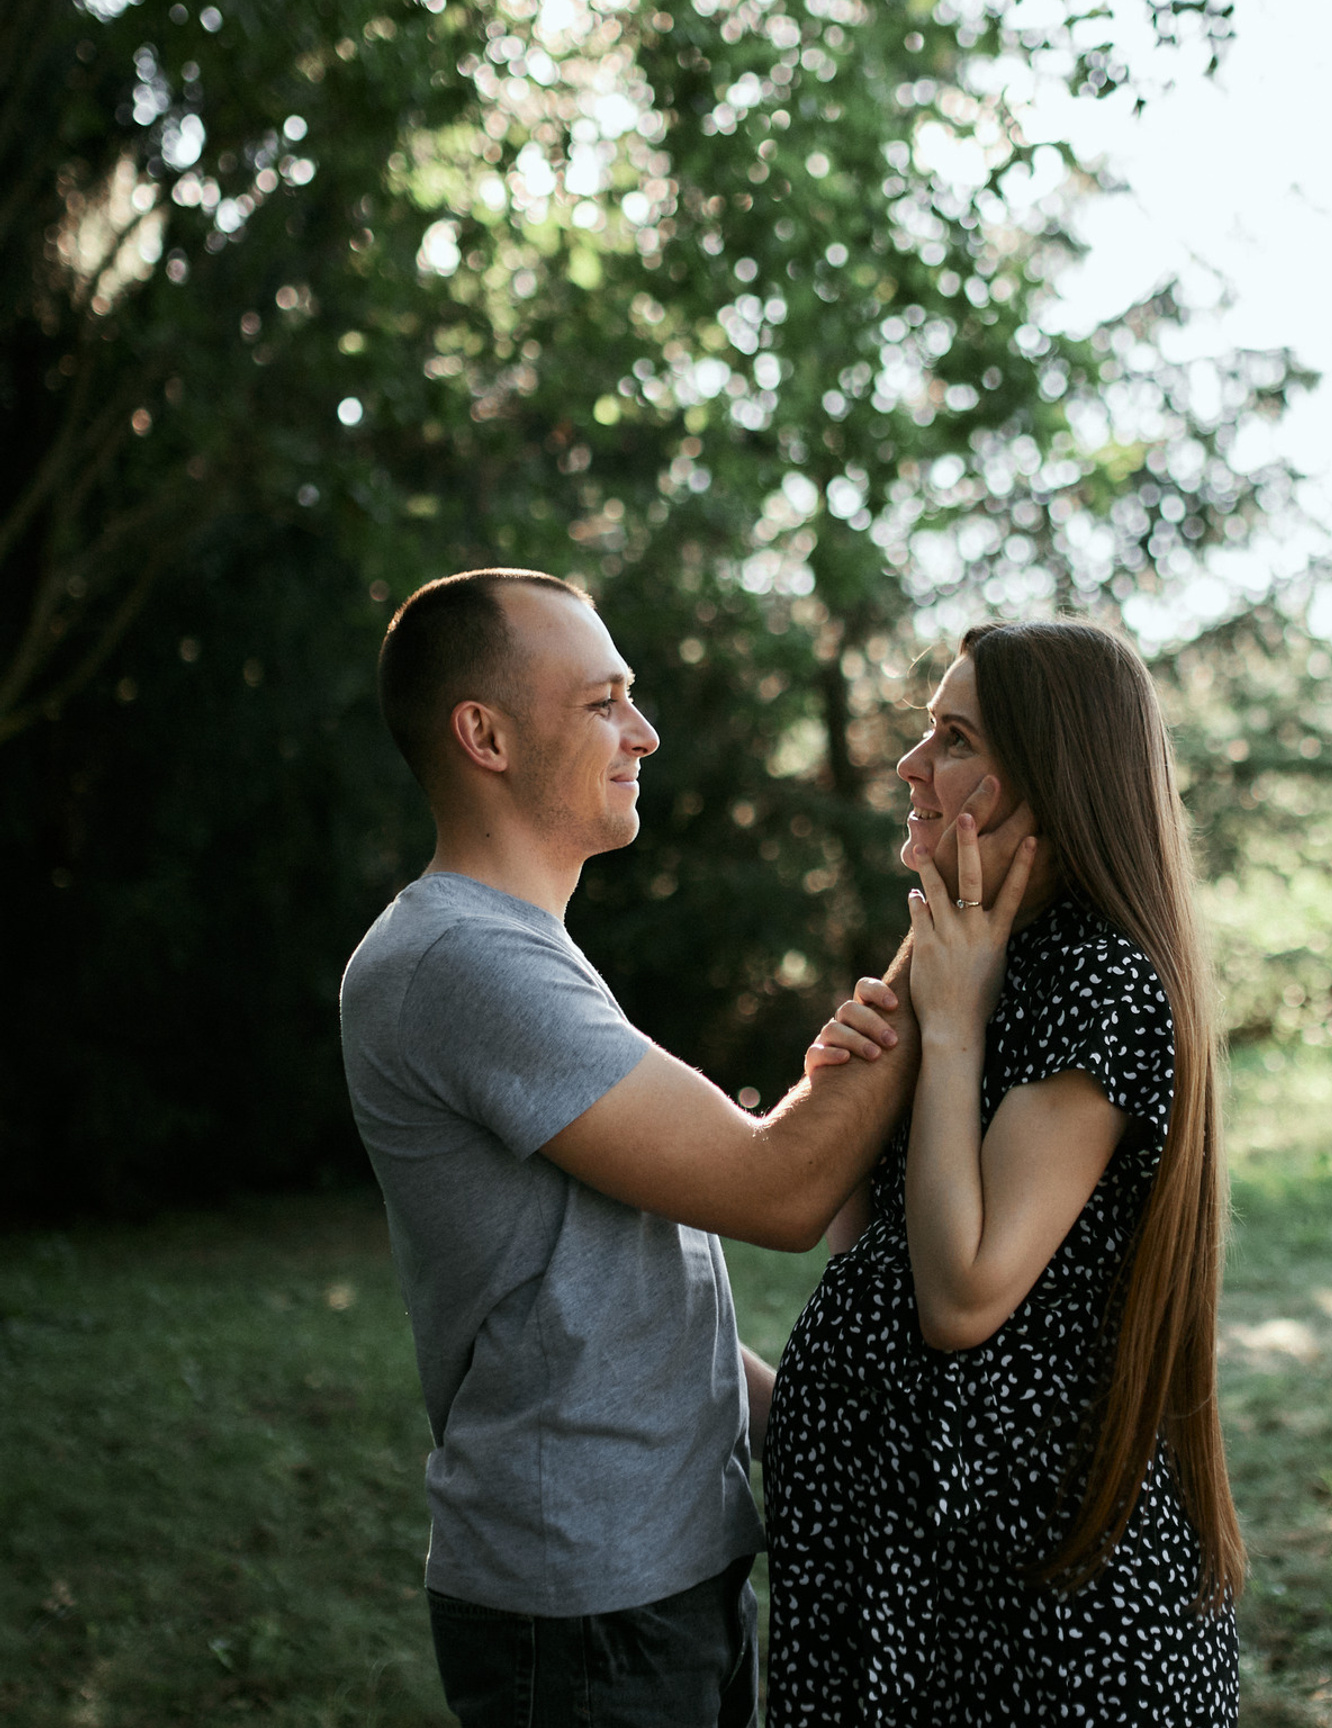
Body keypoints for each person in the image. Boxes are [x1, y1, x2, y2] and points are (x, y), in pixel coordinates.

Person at [340, 568, 987, 1728]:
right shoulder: (461, 963)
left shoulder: (519, 950)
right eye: (603, 702)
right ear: (482, 734)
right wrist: (939, 943)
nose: (642, 731)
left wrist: (815, 1433)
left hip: (655, 1574)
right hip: (588, 1607)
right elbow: (777, 1188)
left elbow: (603, 1294)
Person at [764, 619, 1245, 1725]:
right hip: (914, 1583)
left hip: (1041, 1627)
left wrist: (957, 1028)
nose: (911, 765)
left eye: (954, 738)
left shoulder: (1099, 985)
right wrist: (853, 1118)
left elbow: (966, 1294)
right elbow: (890, 1265)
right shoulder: (985, 958)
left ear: (1052, 783)